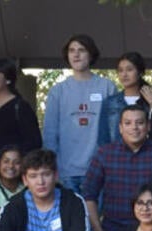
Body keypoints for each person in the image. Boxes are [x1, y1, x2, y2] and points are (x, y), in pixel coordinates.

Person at [85, 104, 152, 231]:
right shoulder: (104, 154)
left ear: (148, 126)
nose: (134, 128)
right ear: (120, 127)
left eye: (140, 123)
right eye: (128, 123)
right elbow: (89, 194)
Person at [40, 37, 113, 191]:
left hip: (99, 170)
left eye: (81, 50)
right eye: (72, 51)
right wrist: (51, 167)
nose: (76, 55)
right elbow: (50, 133)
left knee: (95, 215)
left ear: (91, 54)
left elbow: (114, 130)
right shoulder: (58, 91)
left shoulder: (106, 86)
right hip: (65, 171)